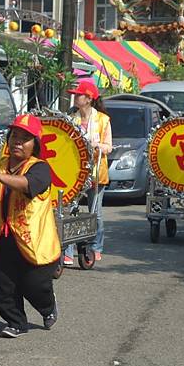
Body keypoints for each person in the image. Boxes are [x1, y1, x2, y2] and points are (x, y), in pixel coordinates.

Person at [0, 114, 60, 338]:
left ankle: (48, 306)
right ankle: (15, 321)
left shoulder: (40, 169)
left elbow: (26, 185)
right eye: (14, 135)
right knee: (3, 283)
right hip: (2, 236)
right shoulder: (0, 163)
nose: (17, 141)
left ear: (34, 144)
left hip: (33, 241)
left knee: (34, 286)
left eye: (25, 138)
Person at [63, 81, 112, 264]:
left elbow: (109, 146)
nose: (75, 98)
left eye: (79, 95)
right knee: (69, 212)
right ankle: (67, 250)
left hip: (96, 174)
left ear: (89, 99)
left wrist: (95, 145)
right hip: (74, 173)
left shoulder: (103, 120)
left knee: (95, 213)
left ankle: (95, 247)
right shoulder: (70, 118)